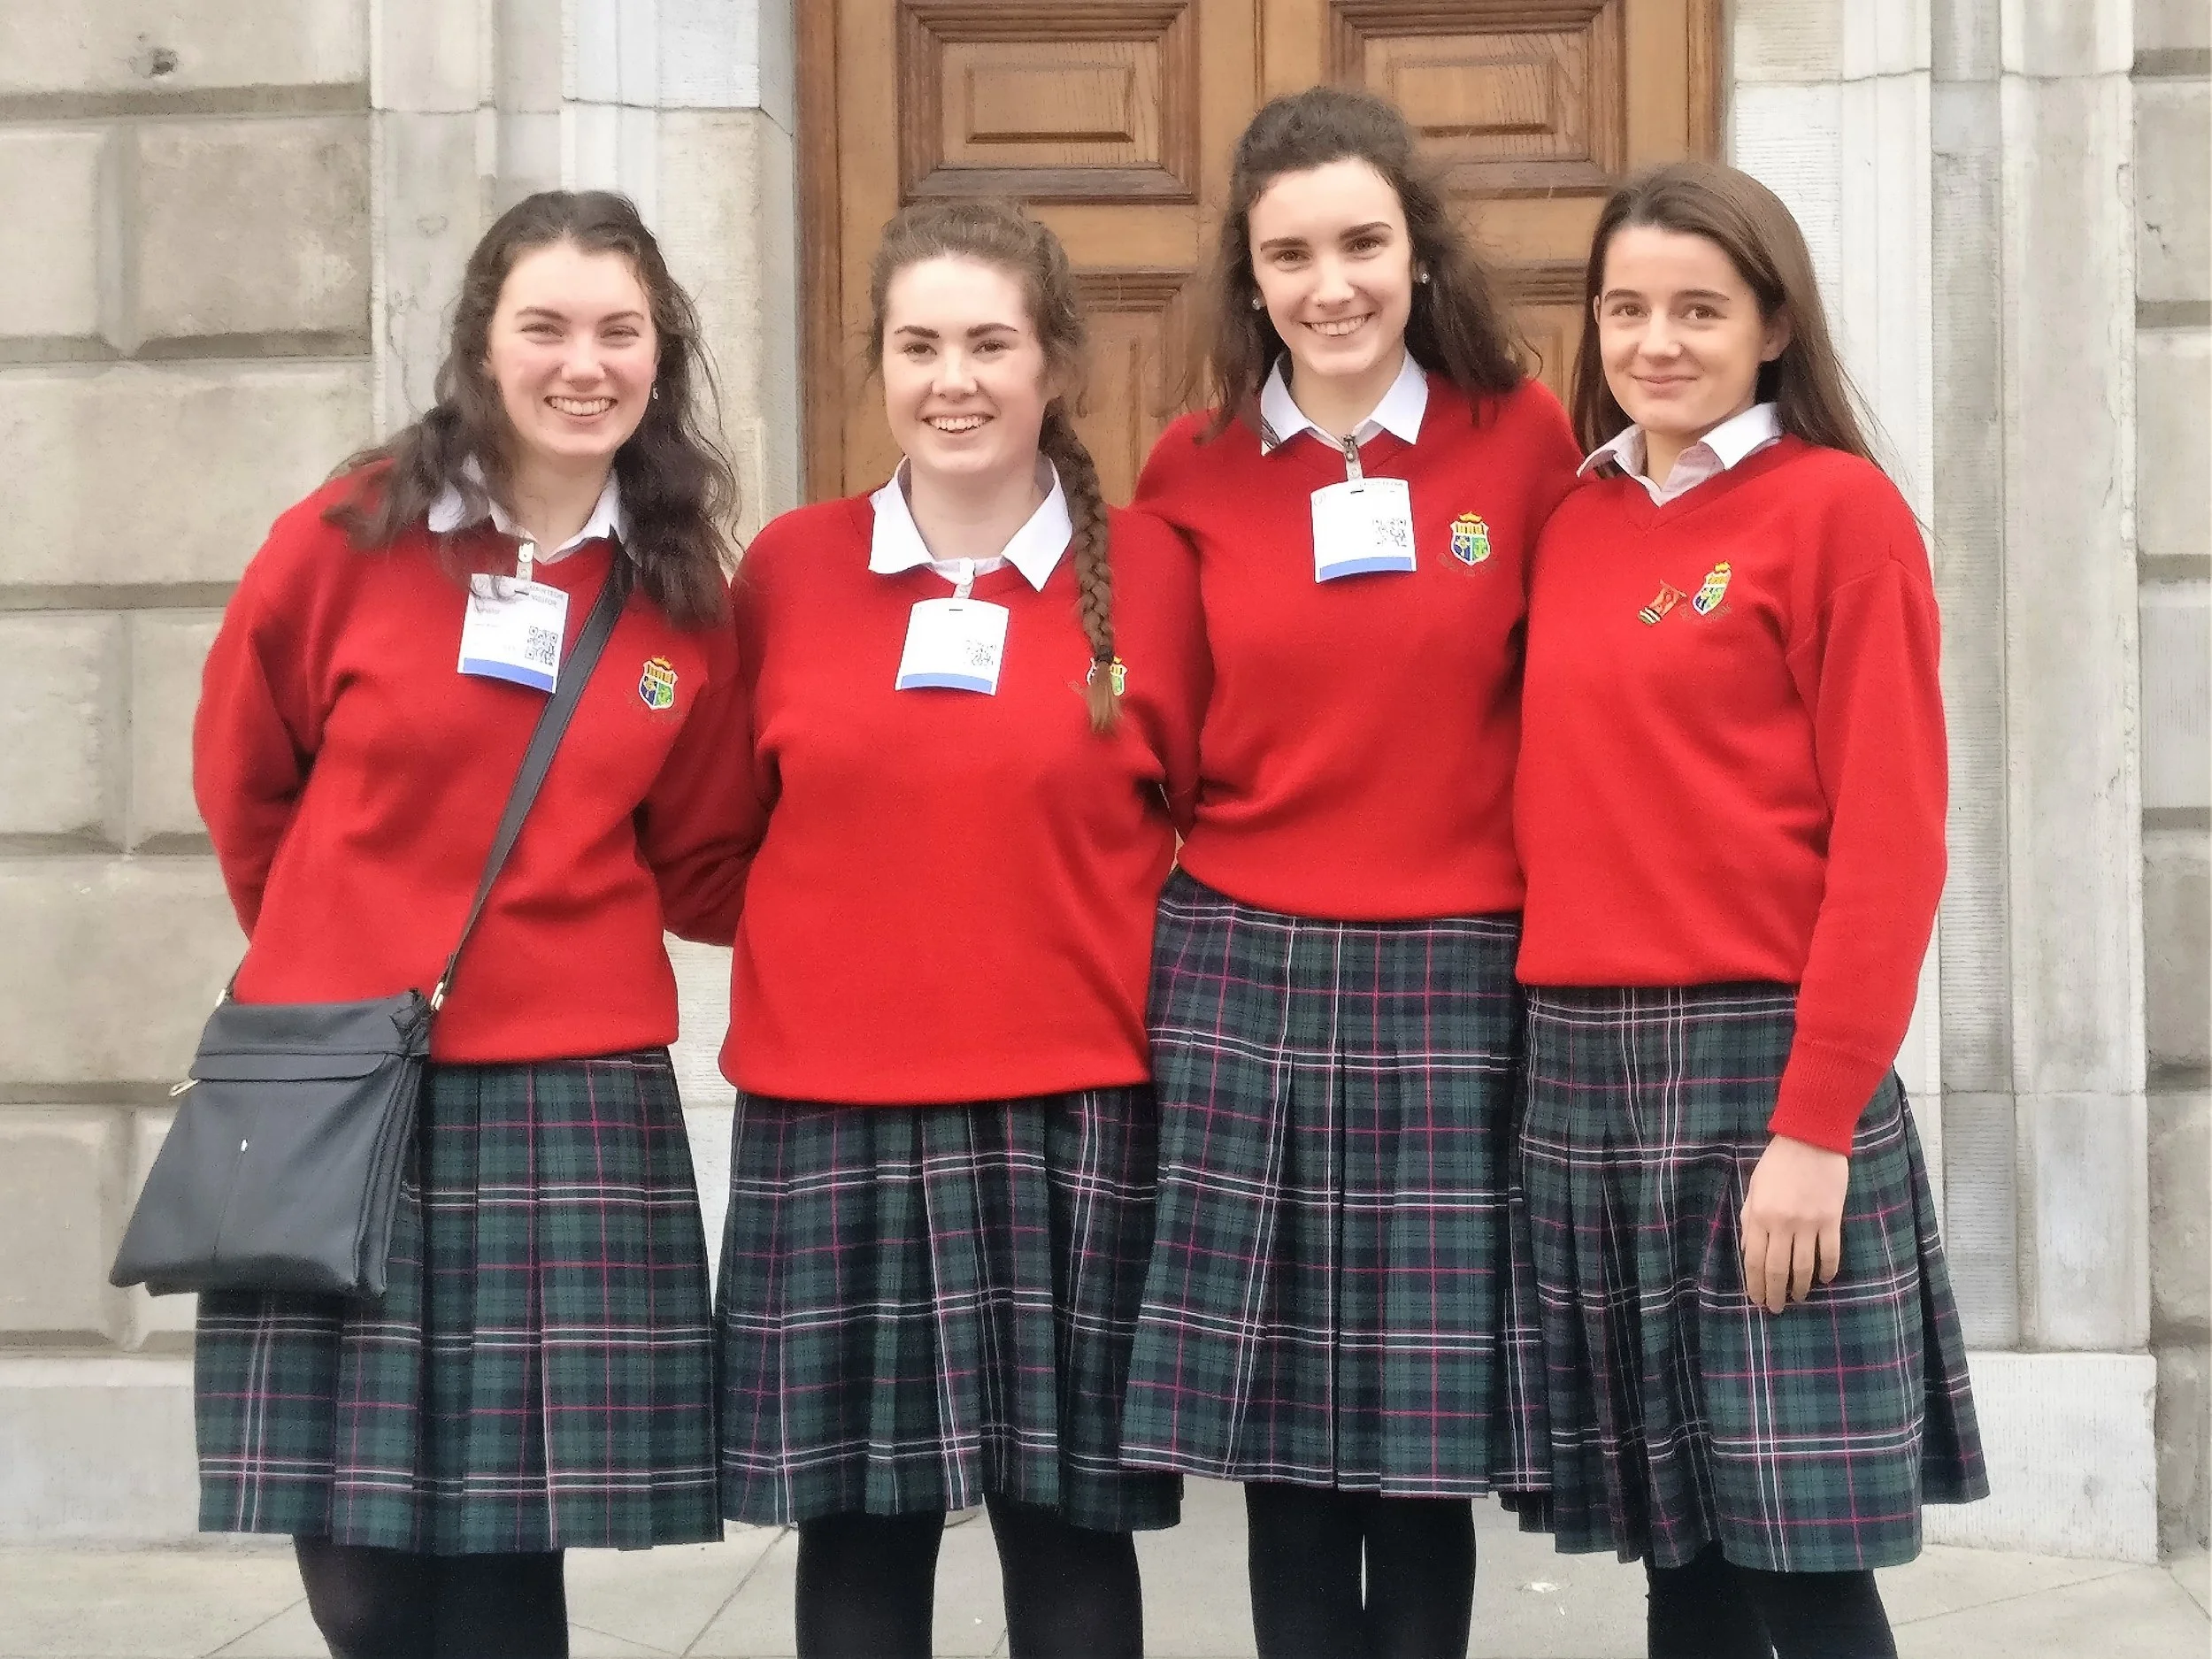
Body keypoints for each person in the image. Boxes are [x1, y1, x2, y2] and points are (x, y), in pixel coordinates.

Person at [189, 190, 749, 1659]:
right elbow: (247, 780)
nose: (586, 363)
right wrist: (339, 955)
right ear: (481, 345)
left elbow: (700, 862)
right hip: (340, 1083)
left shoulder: (682, 600)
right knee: (363, 1567)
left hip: (569, 1096)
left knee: (507, 1551)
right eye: (546, 326)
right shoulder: (347, 537)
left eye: (620, 330)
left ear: (660, 351)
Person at [671, 199, 1206, 1659]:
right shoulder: (787, 570)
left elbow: (1220, 830)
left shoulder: (1156, 575)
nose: (951, 378)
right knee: (857, 1531)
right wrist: (850, 936)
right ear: (880, 365)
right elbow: (705, 841)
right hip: (830, 1111)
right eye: (919, 345)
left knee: (1069, 1531)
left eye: (988, 342)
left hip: (1074, 1110)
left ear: (1054, 365)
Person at [1118, 86, 1585, 1659]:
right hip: (1243, 963)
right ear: (1248, 277)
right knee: (1285, 1446)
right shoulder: (1187, 469)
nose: (1333, 284)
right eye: (1291, 252)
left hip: (1459, 966)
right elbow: (1155, 736)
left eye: (1363, 243)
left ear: (1417, 250)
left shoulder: (1520, 437)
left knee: (1419, 1447)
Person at [1513, 159, 1988, 1659]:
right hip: (1583, 1080)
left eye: (1700, 309)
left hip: (1761, 1077)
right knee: (1682, 1559)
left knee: (1802, 1562)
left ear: (1774, 323)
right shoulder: (1572, 520)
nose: (1657, 342)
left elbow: (1895, 840)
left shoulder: (1835, 514)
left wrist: (1817, 1124)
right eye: (1627, 309)